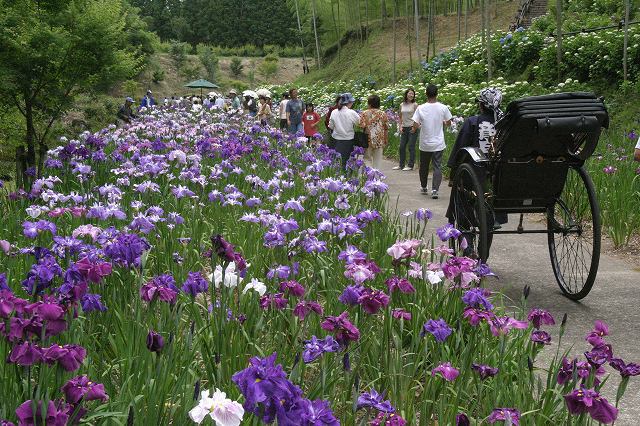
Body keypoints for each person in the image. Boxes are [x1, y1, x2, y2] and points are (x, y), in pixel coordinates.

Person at [446, 87, 506, 233]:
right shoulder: (505, 124)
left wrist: (453, 175)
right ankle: (496, 217)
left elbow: (460, 150)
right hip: (500, 177)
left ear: (481, 105)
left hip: (474, 177)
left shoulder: (473, 122)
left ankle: (465, 233)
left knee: (461, 189)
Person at [411, 84, 452, 199]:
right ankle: (435, 190)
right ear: (437, 94)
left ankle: (424, 187)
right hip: (438, 143)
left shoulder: (421, 108)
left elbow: (415, 123)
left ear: (426, 94)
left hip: (425, 143)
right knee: (437, 166)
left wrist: (416, 128)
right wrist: (444, 123)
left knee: (424, 166)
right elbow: (449, 122)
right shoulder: (443, 107)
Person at [328, 93, 361, 170]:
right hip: (348, 140)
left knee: (337, 161)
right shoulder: (351, 112)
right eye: (352, 102)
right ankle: (347, 178)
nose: (352, 104)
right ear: (348, 102)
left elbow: (331, 126)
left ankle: (338, 177)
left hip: (336, 140)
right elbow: (360, 123)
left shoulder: (334, 112)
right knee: (348, 161)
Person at [359, 94, 389, 170]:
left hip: (367, 139)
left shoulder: (364, 113)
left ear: (370, 104)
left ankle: (369, 176)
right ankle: (376, 177)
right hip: (379, 139)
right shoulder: (383, 114)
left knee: (367, 159)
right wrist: (385, 139)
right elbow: (386, 128)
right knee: (377, 161)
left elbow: (361, 126)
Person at [395, 88, 419, 171]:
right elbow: (400, 117)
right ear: (406, 94)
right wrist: (400, 126)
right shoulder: (402, 104)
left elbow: (418, 117)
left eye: (412, 94)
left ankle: (410, 165)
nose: (411, 95)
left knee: (411, 146)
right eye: (410, 93)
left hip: (412, 127)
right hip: (404, 128)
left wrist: (414, 127)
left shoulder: (415, 105)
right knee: (401, 147)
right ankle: (401, 165)